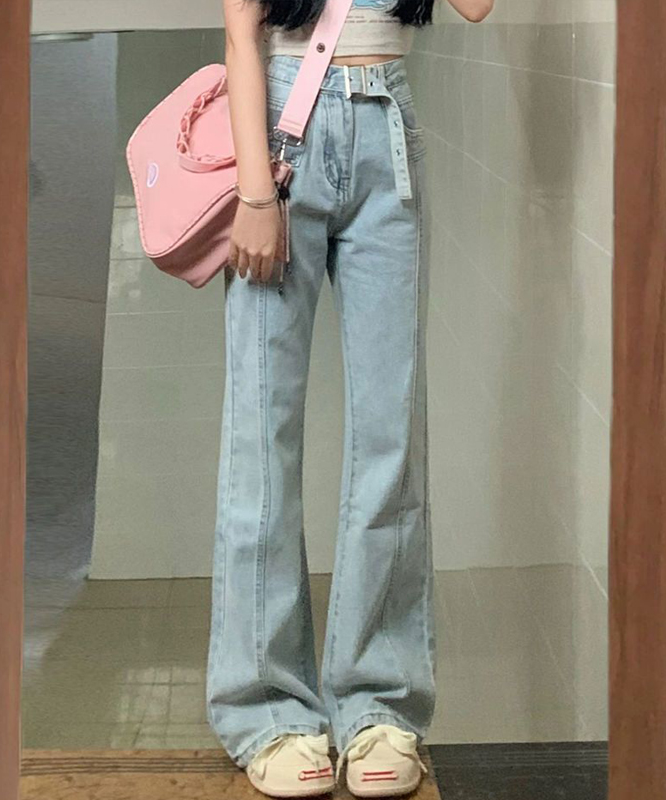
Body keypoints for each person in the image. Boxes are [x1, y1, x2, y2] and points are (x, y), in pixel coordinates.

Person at [208, 0, 494, 796]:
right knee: (261, 433)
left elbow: (476, 6)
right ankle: (266, 709)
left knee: (389, 435)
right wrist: (256, 195)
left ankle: (378, 705)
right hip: (280, 127)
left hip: (386, 126)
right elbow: (240, 31)